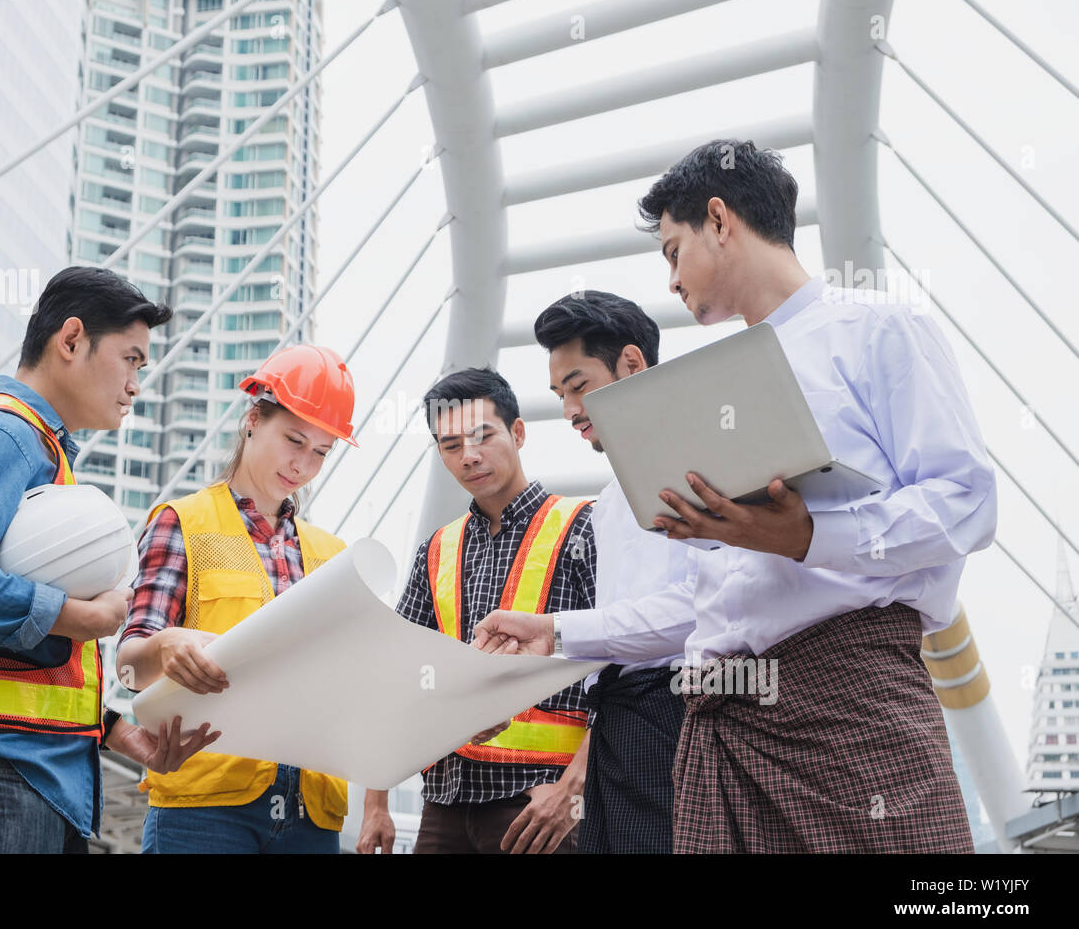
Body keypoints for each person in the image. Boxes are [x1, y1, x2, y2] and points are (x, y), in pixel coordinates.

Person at [475, 139, 996, 853]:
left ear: (719, 219)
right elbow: (702, 603)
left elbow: (966, 503)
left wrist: (808, 535)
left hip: (848, 702)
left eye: (671, 250)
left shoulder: (878, 329)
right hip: (718, 728)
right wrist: (559, 632)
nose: (670, 282)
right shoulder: (707, 390)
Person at [0, 266, 217, 854]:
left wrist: (113, 731)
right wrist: (79, 616)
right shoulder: (5, 436)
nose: (137, 383)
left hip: (25, 775)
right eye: (131, 359)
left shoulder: (39, 451)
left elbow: (25, 665)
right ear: (71, 341)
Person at [118, 344, 356, 854]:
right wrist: (165, 646)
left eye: (320, 451)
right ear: (253, 419)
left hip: (312, 816)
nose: (303, 464)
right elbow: (129, 667)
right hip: (205, 813)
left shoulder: (333, 556)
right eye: (294, 439)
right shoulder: (181, 522)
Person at [358, 368, 597, 854]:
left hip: (536, 806)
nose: (468, 456)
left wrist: (573, 793)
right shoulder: (437, 551)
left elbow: (627, 670)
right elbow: (397, 674)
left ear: (519, 432)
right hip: (445, 805)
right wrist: (375, 804)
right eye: (449, 446)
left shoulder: (584, 528)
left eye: (482, 436)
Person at [529, 291, 698, 853]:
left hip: (681, 717)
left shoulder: (702, 460)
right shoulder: (606, 503)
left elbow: (703, 610)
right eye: (560, 394)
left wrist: (555, 632)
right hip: (616, 727)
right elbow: (615, 635)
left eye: (578, 385)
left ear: (631, 364)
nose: (570, 410)